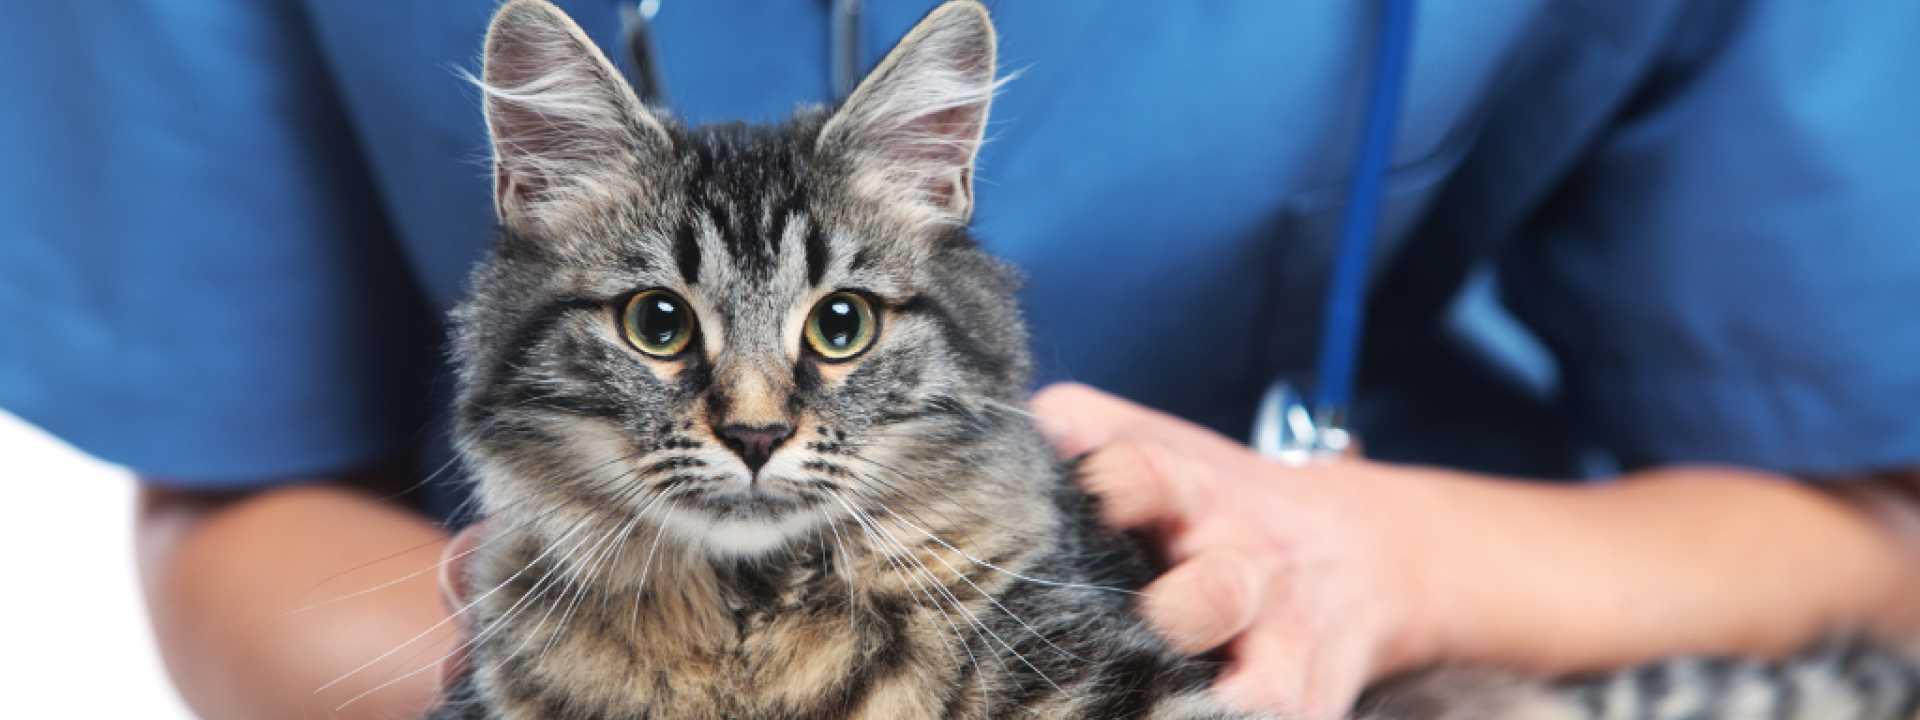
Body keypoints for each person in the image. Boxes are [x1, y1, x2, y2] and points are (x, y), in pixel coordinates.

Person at [6, 1, 1920, 718]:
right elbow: (222, 455)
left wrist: (1392, 566)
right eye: (671, 333)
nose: (753, 418)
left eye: (832, 332)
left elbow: (1875, 519)